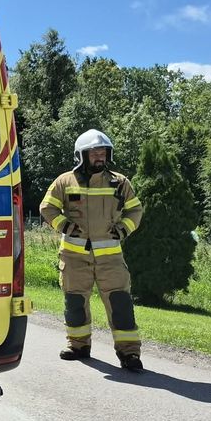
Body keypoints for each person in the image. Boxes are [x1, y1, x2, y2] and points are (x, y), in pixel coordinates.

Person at [39, 129, 145, 371]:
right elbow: (47, 208)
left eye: (103, 153)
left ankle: (129, 354)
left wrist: (122, 230)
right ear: (81, 156)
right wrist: (65, 225)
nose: (100, 157)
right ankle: (78, 346)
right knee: (74, 302)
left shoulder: (120, 182)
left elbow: (135, 211)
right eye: (94, 153)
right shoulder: (65, 182)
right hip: (74, 258)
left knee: (121, 305)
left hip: (111, 259)